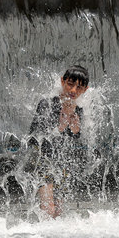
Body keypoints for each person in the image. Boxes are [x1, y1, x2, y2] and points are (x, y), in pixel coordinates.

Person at [29, 65, 89, 218]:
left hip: (63, 163)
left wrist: (75, 131)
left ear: (85, 90)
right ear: (62, 82)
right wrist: (60, 127)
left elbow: (73, 140)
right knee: (48, 208)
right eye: (70, 84)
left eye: (79, 87)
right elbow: (34, 136)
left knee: (59, 210)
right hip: (43, 161)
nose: (73, 90)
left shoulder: (79, 110)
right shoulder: (47, 104)